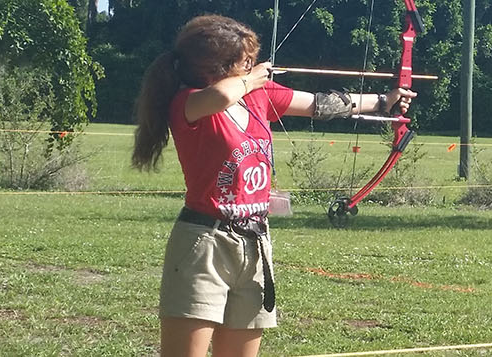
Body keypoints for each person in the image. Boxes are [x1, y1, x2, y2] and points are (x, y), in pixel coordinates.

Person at [131, 15, 416, 356]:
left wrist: (385, 100)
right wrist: (251, 79)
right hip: (204, 245)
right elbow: (222, 94)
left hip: (254, 244)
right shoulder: (189, 102)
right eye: (245, 60)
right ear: (216, 67)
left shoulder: (256, 95)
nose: (254, 65)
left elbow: (318, 105)